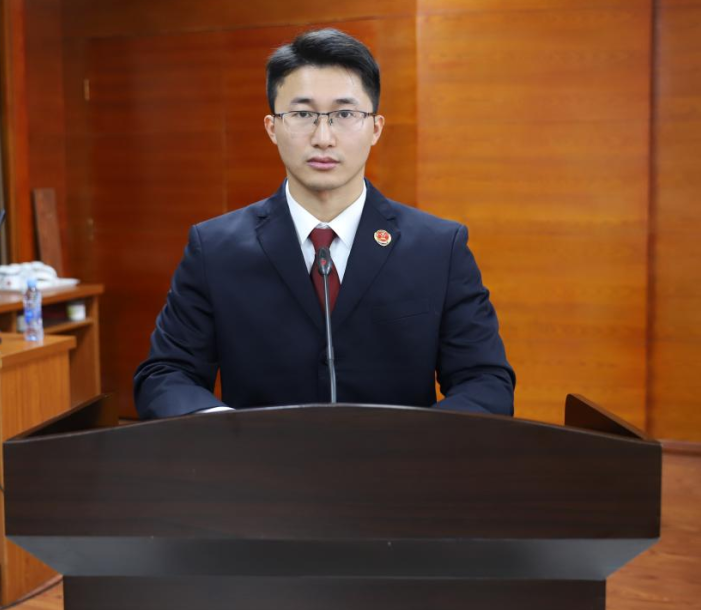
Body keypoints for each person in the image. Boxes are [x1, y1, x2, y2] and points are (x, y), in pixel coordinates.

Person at [134, 28, 515, 418]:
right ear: (272, 128)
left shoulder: (439, 248)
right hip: (255, 456)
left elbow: (485, 381)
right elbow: (165, 375)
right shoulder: (215, 249)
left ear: (375, 128)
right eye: (302, 114)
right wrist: (226, 432)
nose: (323, 137)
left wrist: (420, 443)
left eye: (344, 114)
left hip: (400, 457)